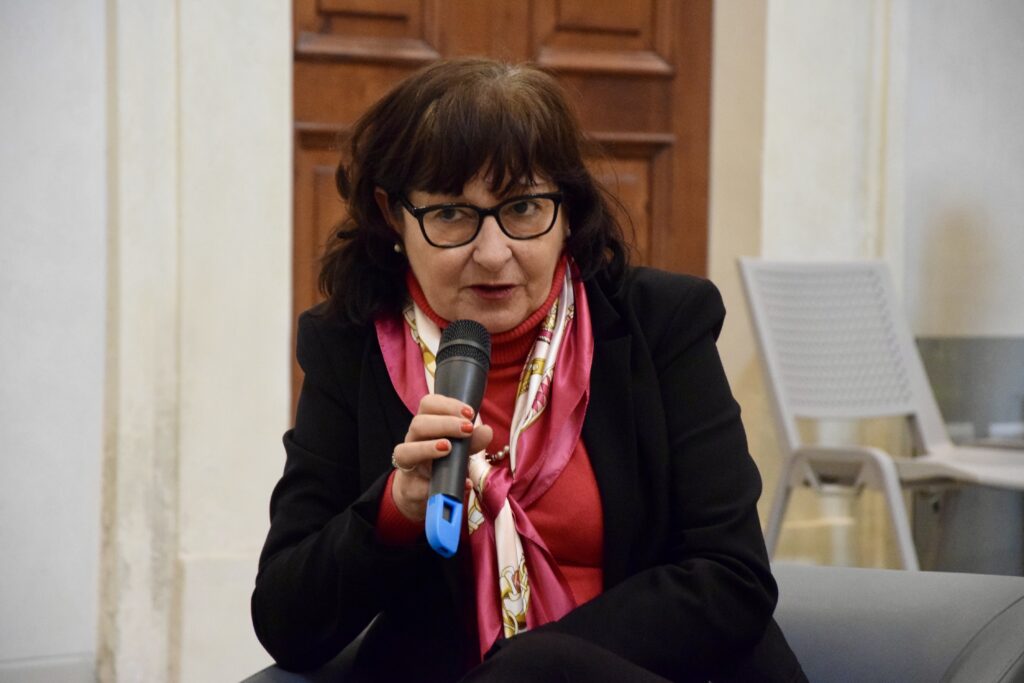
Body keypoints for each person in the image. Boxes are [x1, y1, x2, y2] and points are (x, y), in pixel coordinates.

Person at [251, 57, 805, 682]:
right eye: (451, 214)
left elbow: (731, 578)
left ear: (567, 212)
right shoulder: (350, 348)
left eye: (522, 209)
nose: (493, 254)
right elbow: (285, 621)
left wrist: (529, 670)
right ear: (392, 215)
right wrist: (394, 511)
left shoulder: (662, 323)